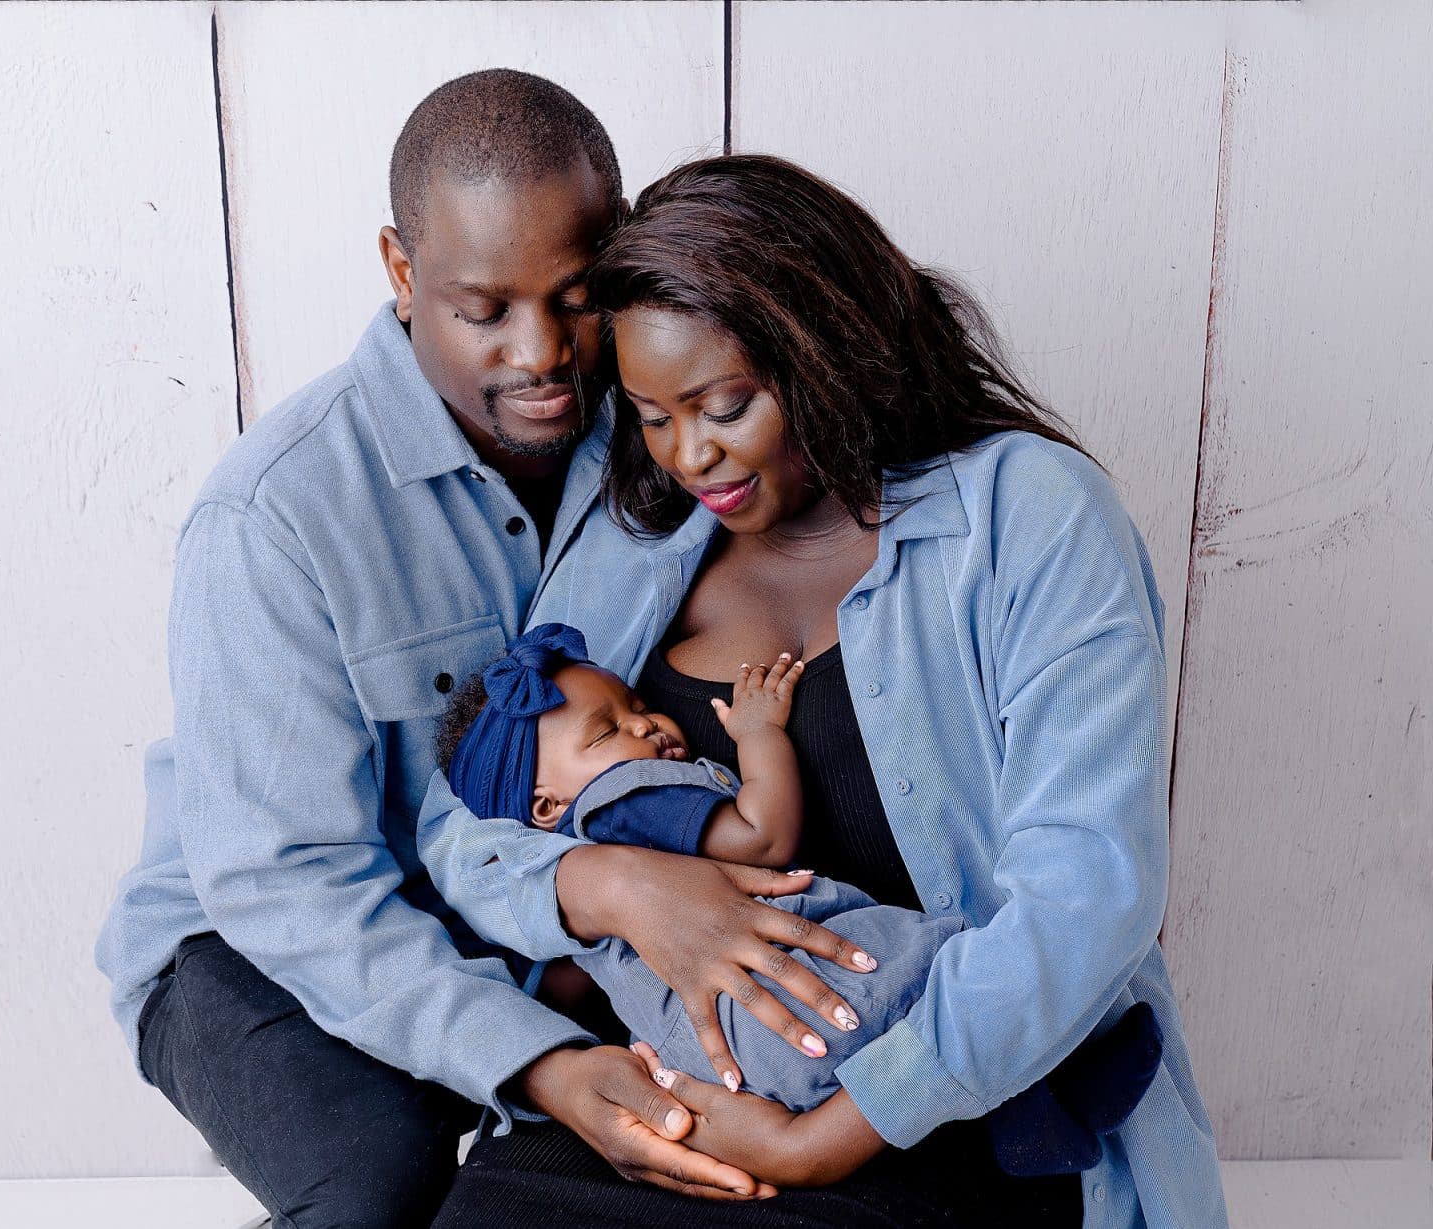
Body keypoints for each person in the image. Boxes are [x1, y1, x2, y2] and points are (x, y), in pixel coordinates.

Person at [95, 76, 852, 1227]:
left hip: (546, 921)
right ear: (402, 273)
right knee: (376, 1183)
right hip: (261, 942)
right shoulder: (274, 515)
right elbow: (286, 882)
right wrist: (540, 1060)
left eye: (575, 297)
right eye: (483, 309)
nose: (542, 353)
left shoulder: (666, 428)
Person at [419, 155, 1229, 1226]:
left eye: (724, 405)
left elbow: (1091, 891)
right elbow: (465, 823)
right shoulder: (637, 529)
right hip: (688, 1082)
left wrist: (817, 1140)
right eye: (651, 415)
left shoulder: (1029, 515)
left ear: (825, 352)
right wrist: (614, 886)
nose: (688, 454)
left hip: (951, 1100)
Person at [439, 621, 1165, 1179]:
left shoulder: (568, 882)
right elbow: (763, 836)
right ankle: (1056, 1080)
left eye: (633, 705)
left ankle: (1027, 1121)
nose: (643, 724)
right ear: (546, 806)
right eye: (607, 731)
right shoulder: (624, 800)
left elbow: (570, 980)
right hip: (806, 992)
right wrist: (759, 735)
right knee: (948, 964)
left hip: (739, 1065)